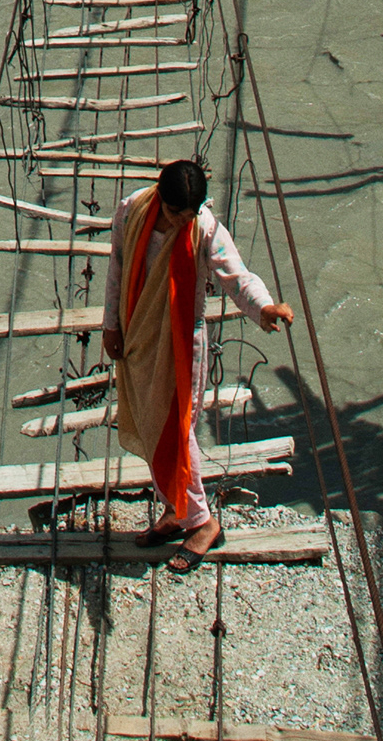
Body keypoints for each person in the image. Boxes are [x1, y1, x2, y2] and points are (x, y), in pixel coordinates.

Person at [101, 158, 293, 570]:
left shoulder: (204, 228)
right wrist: (110, 326)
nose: (180, 221)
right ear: (161, 199)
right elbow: (116, 267)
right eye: (175, 213)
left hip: (182, 340)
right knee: (154, 429)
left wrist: (264, 308)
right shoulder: (131, 210)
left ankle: (203, 523)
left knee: (177, 428)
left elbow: (236, 277)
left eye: (189, 214)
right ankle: (176, 511)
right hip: (138, 334)